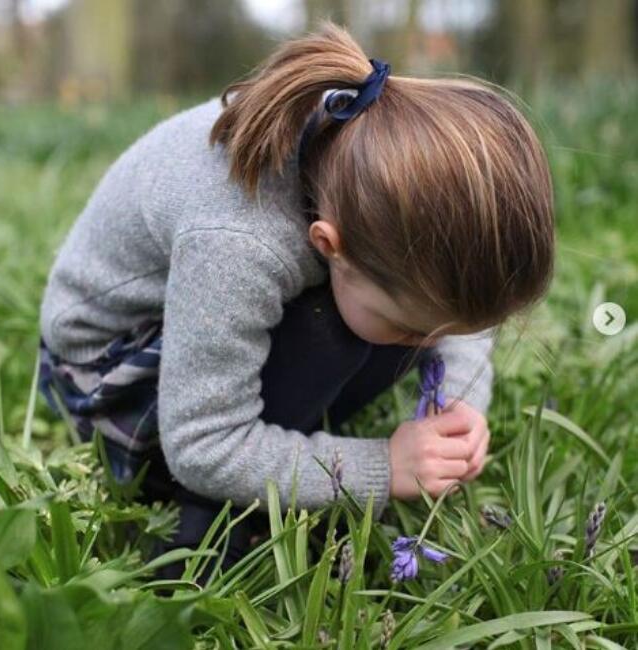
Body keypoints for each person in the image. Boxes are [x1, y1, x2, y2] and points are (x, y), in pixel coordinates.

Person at [37, 22, 554, 583]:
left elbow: (457, 315)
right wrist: (382, 467)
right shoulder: (241, 241)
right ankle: (207, 535)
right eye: (415, 328)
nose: (429, 346)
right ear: (329, 245)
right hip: (107, 372)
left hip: (223, 311)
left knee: (375, 323)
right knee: (334, 330)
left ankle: (298, 430)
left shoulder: (376, 184)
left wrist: (459, 402)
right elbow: (204, 443)